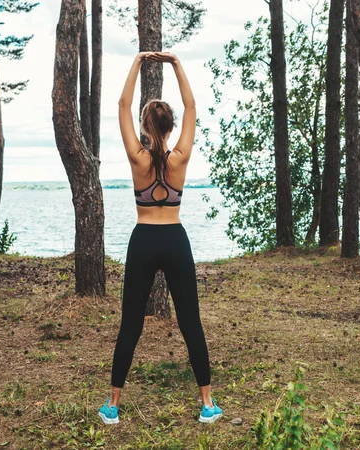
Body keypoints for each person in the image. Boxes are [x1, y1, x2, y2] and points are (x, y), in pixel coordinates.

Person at [98, 52, 222, 425]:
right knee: (190, 322)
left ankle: (113, 406)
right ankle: (207, 404)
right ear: (170, 127)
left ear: (145, 124)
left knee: (131, 323)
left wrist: (137, 61)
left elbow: (121, 103)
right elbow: (191, 104)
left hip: (143, 241)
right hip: (175, 240)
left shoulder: (138, 158)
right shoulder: (180, 158)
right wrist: (176, 63)